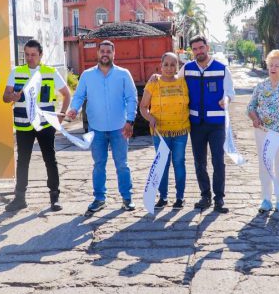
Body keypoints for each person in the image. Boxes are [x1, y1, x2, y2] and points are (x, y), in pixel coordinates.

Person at [67, 40, 138, 214]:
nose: (105, 54)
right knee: (99, 164)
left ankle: (127, 198)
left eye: (109, 51)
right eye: (102, 51)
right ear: (97, 53)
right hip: (96, 129)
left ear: (114, 54)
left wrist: (130, 120)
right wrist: (73, 109)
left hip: (119, 128)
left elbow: (131, 98)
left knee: (122, 164)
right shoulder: (87, 75)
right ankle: (99, 199)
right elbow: (78, 96)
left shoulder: (123, 74)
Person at [2, 39, 71, 212]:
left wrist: (60, 118)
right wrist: (12, 97)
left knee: (50, 159)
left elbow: (66, 94)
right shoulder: (16, 72)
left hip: (45, 125)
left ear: (41, 55)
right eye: (26, 54)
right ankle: (19, 198)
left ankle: (54, 198)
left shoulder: (51, 71)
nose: (29, 58)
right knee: (23, 161)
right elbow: (5, 96)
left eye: (33, 55)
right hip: (23, 124)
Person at [182, 35, 235, 213]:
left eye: (201, 48)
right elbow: (173, 81)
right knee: (199, 162)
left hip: (216, 123)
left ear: (207, 47)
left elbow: (230, 92)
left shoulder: (221, 69)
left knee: (218, 161)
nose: (198, 52)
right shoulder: (187, 69)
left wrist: (225, 100)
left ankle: (219, 198)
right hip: (196, 123)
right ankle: (205, 196)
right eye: (195, 49)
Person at [247, 50, 279, 213]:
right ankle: (266, 199)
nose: (273, 68)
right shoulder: (260, 86)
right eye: (271, 65)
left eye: (277, 65)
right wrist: (255, 118)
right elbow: (251, 107)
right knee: (265, 165)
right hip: (263, 132)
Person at [139, 52, 190, 209]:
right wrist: (150, 118)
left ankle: (180, 197)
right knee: (162, 164)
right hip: (160, 133)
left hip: (180, 131)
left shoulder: (183, 82)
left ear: (177, 66)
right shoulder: (154, 82)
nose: (169, 68)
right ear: (160, 66)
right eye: (166, 64)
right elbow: (143, 107)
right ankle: (163, 197)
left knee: (179, 163)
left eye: (173, 64)